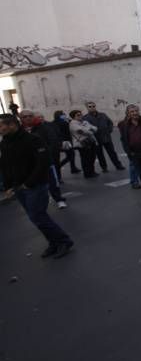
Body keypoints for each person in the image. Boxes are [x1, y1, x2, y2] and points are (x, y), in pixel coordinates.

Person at [1, 114, 73, 258]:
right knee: (35, 217)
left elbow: (43, 163)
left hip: (35, 186)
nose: (0, 129)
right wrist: (8, 185)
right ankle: (53, 243)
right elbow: (5, 165)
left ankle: (64, 241)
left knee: (38, 216)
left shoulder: (32, 139)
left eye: (1, 125)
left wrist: (29, 183)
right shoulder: (5, 142)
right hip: (18, 186)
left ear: (12, 125)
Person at [19, 110, 67, 209]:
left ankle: (59, 199)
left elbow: (52, 141)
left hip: (46, 161)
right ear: (21, 119)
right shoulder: (20, 131)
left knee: (53, 182)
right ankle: (40, 203)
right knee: (36, 184)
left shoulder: (43, 127)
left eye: (30, 116)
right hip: (30, 164)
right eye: (25, 117)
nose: (28, 118)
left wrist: (46, 154)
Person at [83, 101, 124, 172]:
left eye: (93, 106)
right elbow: (85, 128)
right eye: (90, 106)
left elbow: (110, 122)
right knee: (100, 154)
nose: (92, 108)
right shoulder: (86, 118)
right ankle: (104, 167)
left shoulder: (103, 115)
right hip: (96, 139)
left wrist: (109, 130)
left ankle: (118, 165)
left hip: (106, 137)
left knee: (112, 152)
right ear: (87, 108)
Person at [68, 109, 99, 179]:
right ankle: (87, 173)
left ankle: (92, 171)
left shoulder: (85, 122)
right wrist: (89, 129)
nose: (80, 116)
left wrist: (88, 129)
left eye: (81, 114)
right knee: (85, 159)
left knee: (92, 157)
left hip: (91, 141)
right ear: (73, 116)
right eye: (78, 115)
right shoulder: (73, 124)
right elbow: (82, 131)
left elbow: (95, 128)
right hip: (82, 144)